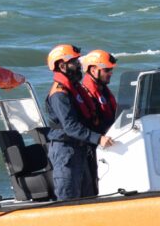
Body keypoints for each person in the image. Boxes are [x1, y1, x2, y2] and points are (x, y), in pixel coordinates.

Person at [45, 44, 114, 200]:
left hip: (79, 149)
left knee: (88, 196)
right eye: (74, 63)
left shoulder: (73, 89)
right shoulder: (59, 94)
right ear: (62, 66)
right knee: (69, 198)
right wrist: (98, 138)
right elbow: (70, 126)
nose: (79, 66)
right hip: (66, 150)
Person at [80, 49, 119, 195]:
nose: (110, 73)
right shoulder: (85, 93)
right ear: (93, 69)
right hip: (94, 148)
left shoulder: (103, 90)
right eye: (107, 69)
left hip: (108, 143)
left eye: (111, 70)